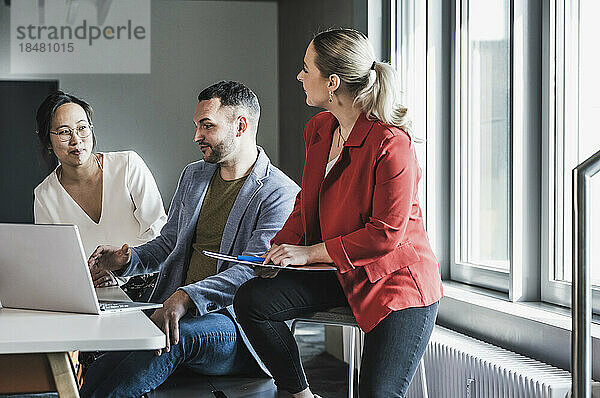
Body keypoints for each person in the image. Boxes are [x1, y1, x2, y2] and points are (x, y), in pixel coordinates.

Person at [234, 28, 443, 398]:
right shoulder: (318, 128)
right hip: (341, 269)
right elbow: (306, 204)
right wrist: (280, 252)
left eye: (305, 68)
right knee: (253, 301)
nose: (299, 76)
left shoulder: (392, 144)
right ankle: (300, 395)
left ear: (332, 82)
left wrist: (309, 253)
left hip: (395, 281)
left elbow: (384, 235)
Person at [80, 81, 300, 397]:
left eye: (206, 126)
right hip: (175, 310)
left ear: (240, 126)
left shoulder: (279, 193)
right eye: (197, 126)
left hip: (235, 327)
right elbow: (169, 242)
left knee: (171, 339)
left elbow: (250, 272)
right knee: (103, 366)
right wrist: (127, 259)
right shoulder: (194, 175)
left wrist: (185, 298)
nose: (196, 136)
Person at [34, 91, 167, 294]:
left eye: (82, 128)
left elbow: (159, 233)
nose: (76, 140)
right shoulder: (45, 195)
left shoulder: (128, 165)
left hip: (151, 287)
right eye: (63, 132)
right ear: (47, 141)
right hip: (94, 295)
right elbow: (54, 262)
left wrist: (120, 271)